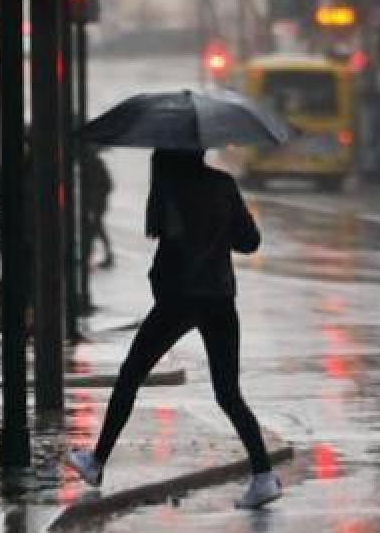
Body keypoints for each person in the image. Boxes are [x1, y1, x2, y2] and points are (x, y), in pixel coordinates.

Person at [66, 149, 282, 510]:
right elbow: (250, 242)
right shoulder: (222, 184)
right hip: (219, 298)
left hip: (179, 300)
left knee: (130, 377)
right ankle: (262, 476)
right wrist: (221, 229)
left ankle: (97, 461)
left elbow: (167, 247)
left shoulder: (169, 189)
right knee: (228, 393)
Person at [0, 143, 36, 334]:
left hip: (34, 237)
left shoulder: (39, 172)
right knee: (14, 274)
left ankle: (27, 317)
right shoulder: (2, 173)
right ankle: (7, 311)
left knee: (30, 276)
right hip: (9, 237)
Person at [81, 146, 115, 270]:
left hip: (95, 204)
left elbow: (106, 184)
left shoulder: (93, 163)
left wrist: (95, 203)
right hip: (94, 203)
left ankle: (93, 256)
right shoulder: (91, 162)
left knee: (93, 229)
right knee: (96, 228)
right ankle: (106, 255)